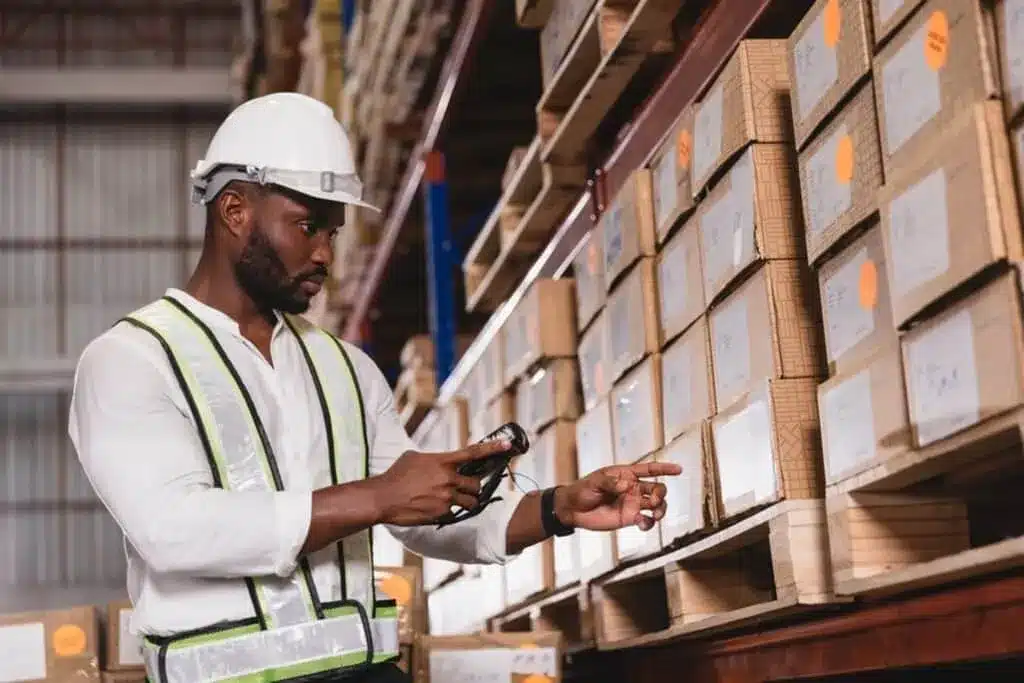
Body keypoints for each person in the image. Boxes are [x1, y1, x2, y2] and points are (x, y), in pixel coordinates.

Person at [68, 92, 681, 683]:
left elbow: (421, 517)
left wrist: (556, 509)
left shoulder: (346, 370)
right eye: (307, 226)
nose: (325, 255)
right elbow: (173, 531)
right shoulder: (130, 360)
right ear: (235, 211)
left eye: (332, 233)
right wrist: (379, 496)